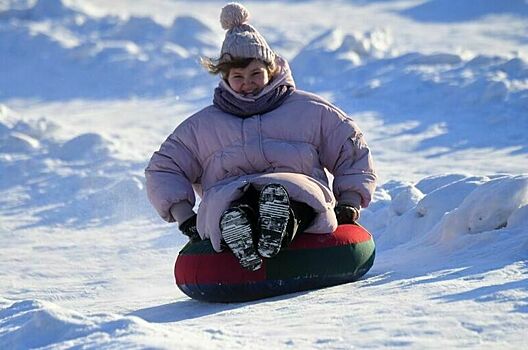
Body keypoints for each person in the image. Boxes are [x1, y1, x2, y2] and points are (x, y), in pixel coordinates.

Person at [145, 3, 377, 271]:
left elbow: (350, 147)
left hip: (297, 190)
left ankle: (273, 230)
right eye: (238, 76)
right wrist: (184, 215)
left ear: (271, 69)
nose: (248, 82)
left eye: (256, 73)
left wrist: (348, 200)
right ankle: (238, 227)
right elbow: (165, 167)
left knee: (293, 198)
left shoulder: (309, 111)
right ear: (225, 77)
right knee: (231, 206)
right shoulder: (203, 126)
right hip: (229, 194)